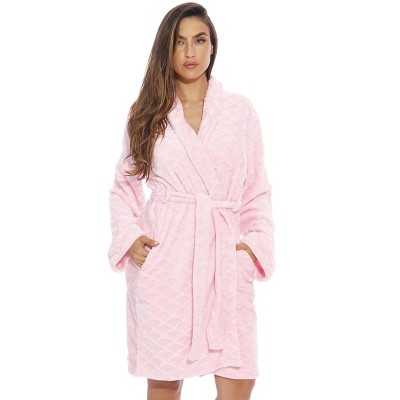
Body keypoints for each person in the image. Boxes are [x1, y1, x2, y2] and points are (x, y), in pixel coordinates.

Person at [108, 2, 276, 399]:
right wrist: (130, 238)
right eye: (179, 42)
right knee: (165, 383)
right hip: (166, 261)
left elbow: (256, 191)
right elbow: (123, 187)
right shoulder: (147, 114)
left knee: (238, 381)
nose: (189, 52)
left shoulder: (239, 112)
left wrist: (253, 247)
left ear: (212, 46)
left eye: (199, 40)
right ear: (166, 49)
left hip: (224, 261)